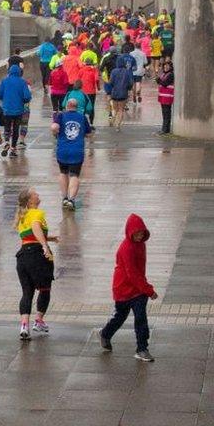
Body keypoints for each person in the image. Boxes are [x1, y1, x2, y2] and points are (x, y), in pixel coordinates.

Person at [98, 214, 158, 362]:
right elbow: (132, 273)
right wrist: (148, 290)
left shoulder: (140, 244)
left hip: (137, 290)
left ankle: (142, 348)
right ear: (130, 232)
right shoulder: (126, 248)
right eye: (136, 233)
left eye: (141, 233)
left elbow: (139, 271)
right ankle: (105, 334)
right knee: (120, 316)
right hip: (124, 288)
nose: (139, 236)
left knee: (140, 318)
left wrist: (144, 288)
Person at [14, 189, 57, 340]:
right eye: (35, 194)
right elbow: (36, 228)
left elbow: (28, 236)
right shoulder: (36, 213)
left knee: (27, 292)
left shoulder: (22, 216)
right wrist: (45, 246)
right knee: (45, 289)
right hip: (37, 257)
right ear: (30, 201)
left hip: (23, 256)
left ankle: (24, 325)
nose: (38, 195)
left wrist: (50, 238)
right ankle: (38, 320)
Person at [53, 98, 94, 210]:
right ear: (76, 107)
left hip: (62, 150)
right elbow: (89, 134)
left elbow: (54, 127)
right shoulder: (82, 117)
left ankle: (65, 198)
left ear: (67, 106)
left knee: (63, 173)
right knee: (74, 175)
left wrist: (55, 134)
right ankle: (71, 199)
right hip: (77, 151)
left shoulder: (61, 116)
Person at [0, 64, 32, 158]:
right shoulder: (22, 82)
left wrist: (5, 100)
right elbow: (27, 96)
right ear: (19, 72)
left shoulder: (4, 81)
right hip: (18, 110)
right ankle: (13, 149)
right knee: (16, 130)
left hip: (7, 110)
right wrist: (22, 101)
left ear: (9, 72)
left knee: (7, 128)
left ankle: (7, 142)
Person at [108, 58, 135, 130]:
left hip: (114, 93)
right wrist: (128, 88)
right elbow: (130, 83)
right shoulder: (127, 72)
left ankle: (112, 119)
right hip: (123, 93)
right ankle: (118, 125)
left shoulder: (113, 71)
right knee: (121, 110)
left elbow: (110, 82)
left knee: (115, 109)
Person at [157, 59, 175, 135]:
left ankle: (165, 129)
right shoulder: (164, 74)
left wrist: (158, 81)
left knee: (166, 113)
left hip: (167, 97)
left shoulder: (170, 74)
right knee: (164, 113)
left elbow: (165, 83)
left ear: (170, 67)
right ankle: (164, 129)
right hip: (163, 97)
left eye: (167, 66)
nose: (166, 67)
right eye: (165, 66)